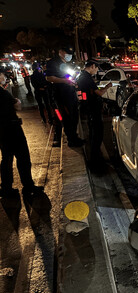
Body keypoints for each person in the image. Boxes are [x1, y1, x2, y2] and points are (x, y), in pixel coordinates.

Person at [0, 68, 44, 198]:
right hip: (12, 129)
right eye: (3, 75)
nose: (5, 77)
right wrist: (17, 101)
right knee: (23, 158)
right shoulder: (2, 93)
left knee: (6, 159)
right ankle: (28, 186)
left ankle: (6, 188)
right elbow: (17, 106)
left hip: (2, 130)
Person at [76, 59, 112, 171]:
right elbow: (99, 93)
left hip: (88, 108)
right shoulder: (87, 78)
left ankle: (95, 160)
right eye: (96, 68)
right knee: (97, 135)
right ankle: (96, 163)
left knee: (93, 135)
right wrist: (108, 86)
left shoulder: (80, 76)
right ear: (92, 66)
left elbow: (81, 94)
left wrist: (84, 102)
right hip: (93, 109)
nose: (96, 71)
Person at [46, 45, 83, 147]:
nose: (69, 55)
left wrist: (74, 80)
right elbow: (49, 78)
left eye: (71, 54)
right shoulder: (53, 63)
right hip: (61, 94)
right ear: (61, 51)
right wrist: (64, 81)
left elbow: (68, 76)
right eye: (67, 53)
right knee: (67, 117)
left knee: (74, 116)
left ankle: (74, 137)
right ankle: (71, 140)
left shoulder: (67, 63)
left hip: (70, 92)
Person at [30, 62, 54, 126]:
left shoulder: (33, 76)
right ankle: (50, 118)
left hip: (38, 92)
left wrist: (40, 88)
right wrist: (44, 87)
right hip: (43, 91)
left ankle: (44, 119)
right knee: (47, 105)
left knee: (41, 105)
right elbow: (46, 82)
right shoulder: (42, 74)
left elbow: (34, 85)